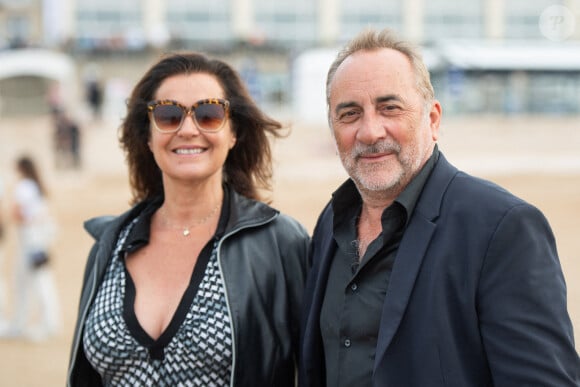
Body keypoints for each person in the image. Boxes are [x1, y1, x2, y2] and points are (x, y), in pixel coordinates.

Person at [299, 28, 580, 386]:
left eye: (390, 108)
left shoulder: (501, 228)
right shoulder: (331, 224)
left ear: (432, 119)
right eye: (350, 114)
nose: (370, 132)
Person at [67, 52, 309, 386]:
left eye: (209, 114)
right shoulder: (110, 244)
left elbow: (315, 367)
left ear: (234, 132)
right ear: (148, 137)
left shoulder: (281, 244)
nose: (188, 129)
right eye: (168, 115)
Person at [7, 155, 60, 341]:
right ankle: (43, 322)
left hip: (30, 240)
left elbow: (17, 211)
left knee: (31, 281)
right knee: (38, 280)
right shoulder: (37, 186)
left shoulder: (24, 187)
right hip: (40, 238)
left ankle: (35, 323)